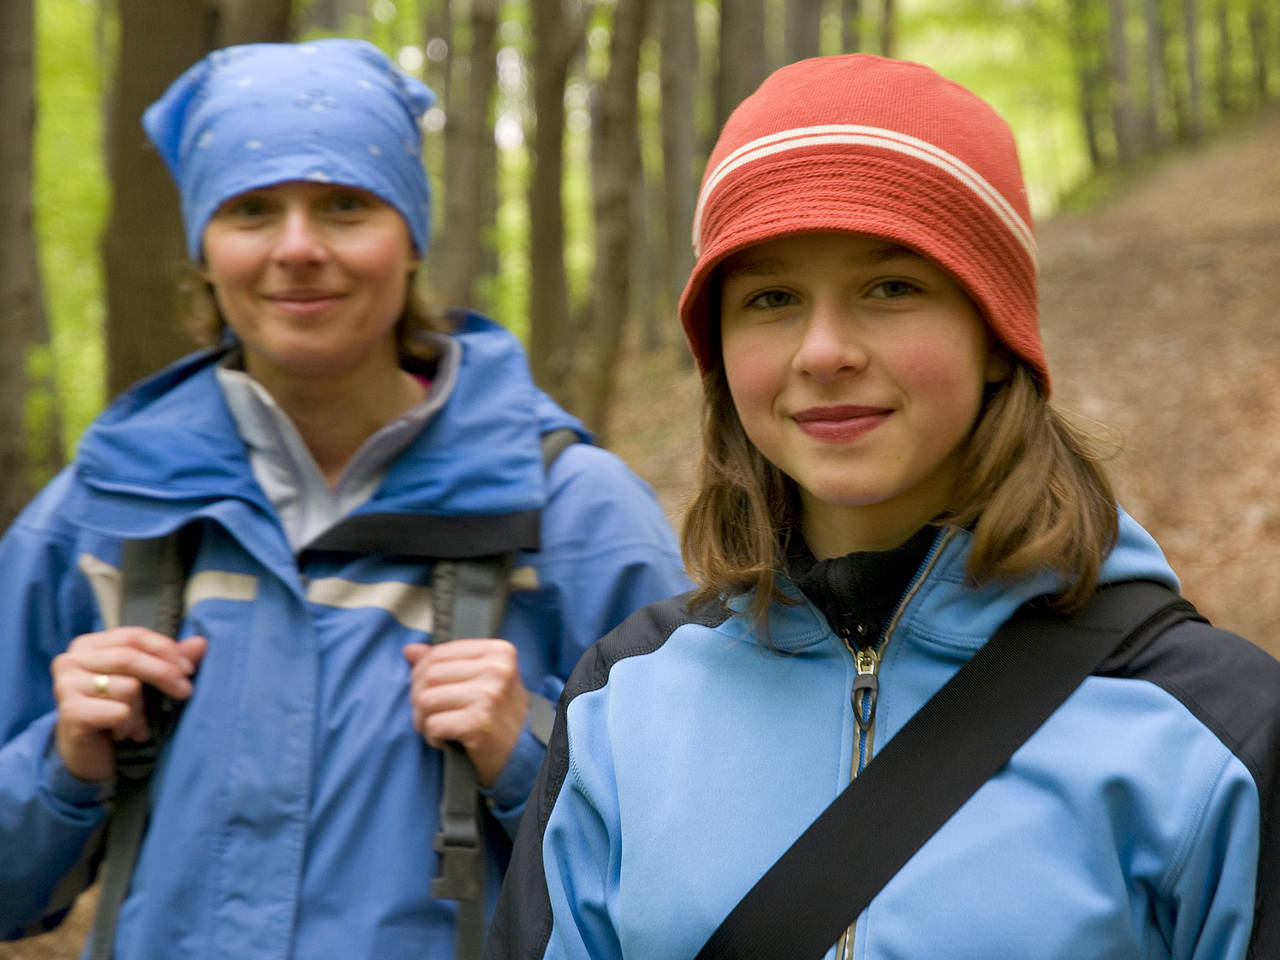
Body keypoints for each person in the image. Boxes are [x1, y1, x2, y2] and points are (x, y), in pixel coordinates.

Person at [485, 53, 1280, 960]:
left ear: (995, 336)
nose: (824, 351)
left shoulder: (1214, 732)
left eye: (891, 287)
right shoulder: (622, 706)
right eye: (772, 298)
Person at [0, 39, 690, 958]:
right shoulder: (101, 514)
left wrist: (530, 757)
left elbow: (684, 886)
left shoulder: (574, 516)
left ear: (410, 237)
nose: (297, 248)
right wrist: (62, 766)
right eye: (251, 210)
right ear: (204, 251)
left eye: (343, 205)